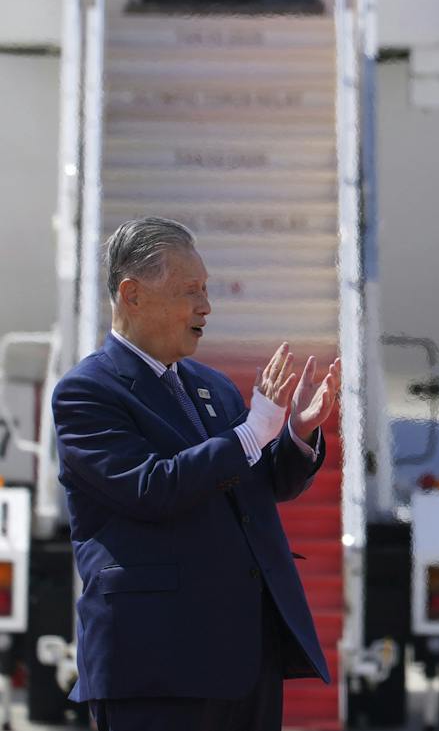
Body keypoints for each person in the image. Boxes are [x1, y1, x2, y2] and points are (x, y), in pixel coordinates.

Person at [52, 217, 340, 731]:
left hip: (244, 655)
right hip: (157, 664)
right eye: (190, 291)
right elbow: (151, 488)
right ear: (132, 294)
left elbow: (259, 484)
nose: (206, 306)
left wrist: (294, 432)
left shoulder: (213, 386)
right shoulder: (87, 392)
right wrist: (253, 432)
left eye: (206, 290)